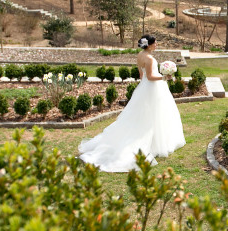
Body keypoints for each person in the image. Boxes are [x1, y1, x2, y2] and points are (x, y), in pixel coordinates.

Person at [77, 35, 185, 172]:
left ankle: (154, 140)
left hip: (143, 87)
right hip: (153, 88)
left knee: (142, 115)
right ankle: (153, 144)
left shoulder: (140, 55)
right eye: (155, 43)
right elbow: (151, 77)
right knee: (155, 115)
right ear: (149, 45)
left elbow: (142, 75)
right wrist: (165, 77)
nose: (156, 45)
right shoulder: (150, 59)